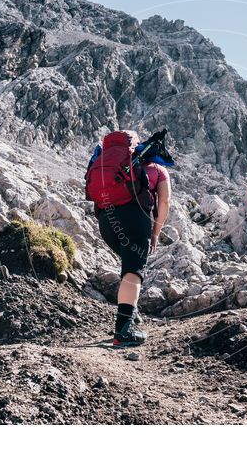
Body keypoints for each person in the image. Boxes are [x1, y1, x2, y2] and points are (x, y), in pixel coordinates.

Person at [86, 130, 173, 346]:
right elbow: (164, 203)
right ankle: (123, 331)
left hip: (106, 221)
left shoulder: (107, 165)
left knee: (129, 267)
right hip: (134, 217)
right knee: (133, 272)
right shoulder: (157, 169)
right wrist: (155, 233)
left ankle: (130, 316)